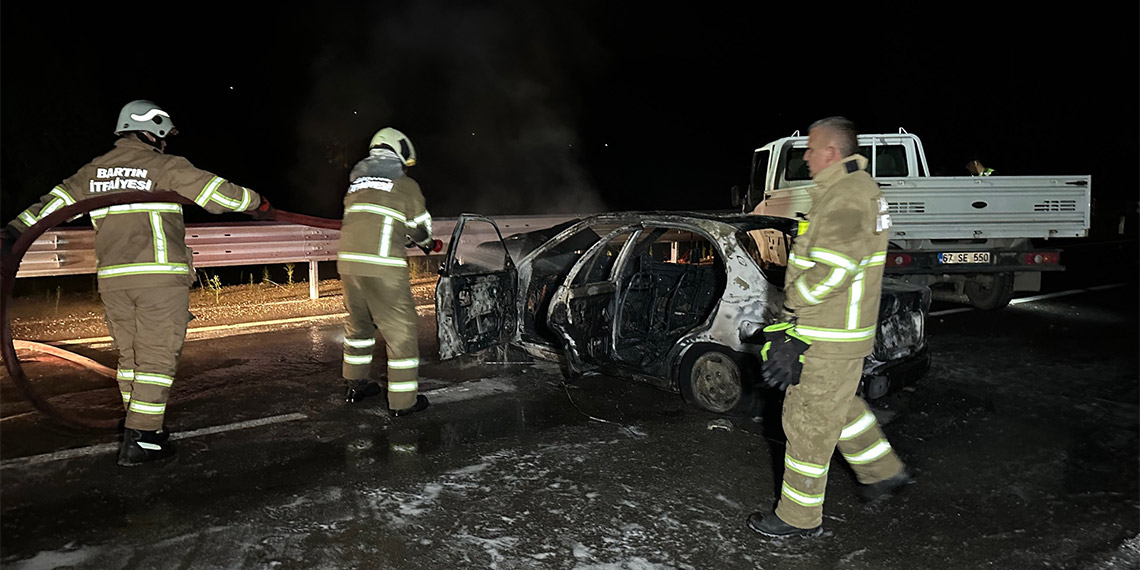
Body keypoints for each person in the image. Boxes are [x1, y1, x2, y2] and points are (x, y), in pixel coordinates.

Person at [0, 100, 273, 466]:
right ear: (154, 129)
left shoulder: (93, 171)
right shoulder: (164, 166)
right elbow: (222, 196)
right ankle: (143, 438)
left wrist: (13, 232)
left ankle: (141, 426)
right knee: (158, 356)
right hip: (158, 278)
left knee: (131, 359)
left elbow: (51, 207)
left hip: (114, 280)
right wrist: (258, 203)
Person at [748, 117, 913, 538]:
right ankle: (882, 471)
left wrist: (792, 305)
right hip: (841, 332)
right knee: (838, 408)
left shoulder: (846, 197)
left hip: (826, 333)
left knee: (806, 424)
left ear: (831, 153)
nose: (804, 156)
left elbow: (834, 269)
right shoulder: (856, 190)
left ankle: (797, 518)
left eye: (810, 148)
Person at [338, 127, 438, 417]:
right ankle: (403, 403)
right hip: (383, 267)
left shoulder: (356, 185)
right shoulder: (405, 186)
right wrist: (428, 243)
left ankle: (355, 385)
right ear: (400, 152)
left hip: (348, 265)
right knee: (401, 333)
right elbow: (419, 229)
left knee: (359, 326)